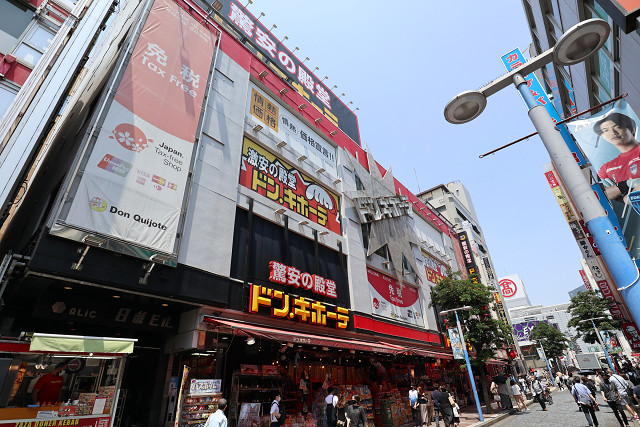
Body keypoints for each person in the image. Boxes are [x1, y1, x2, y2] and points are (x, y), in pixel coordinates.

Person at [594, 112, 640, 201]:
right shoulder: (606, 168)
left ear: (630, 128)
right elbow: (604, 195)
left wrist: (619, 190)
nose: (613, 133)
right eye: (606, 130)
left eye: (617, 127)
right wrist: (626, 184)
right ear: (602, 136)